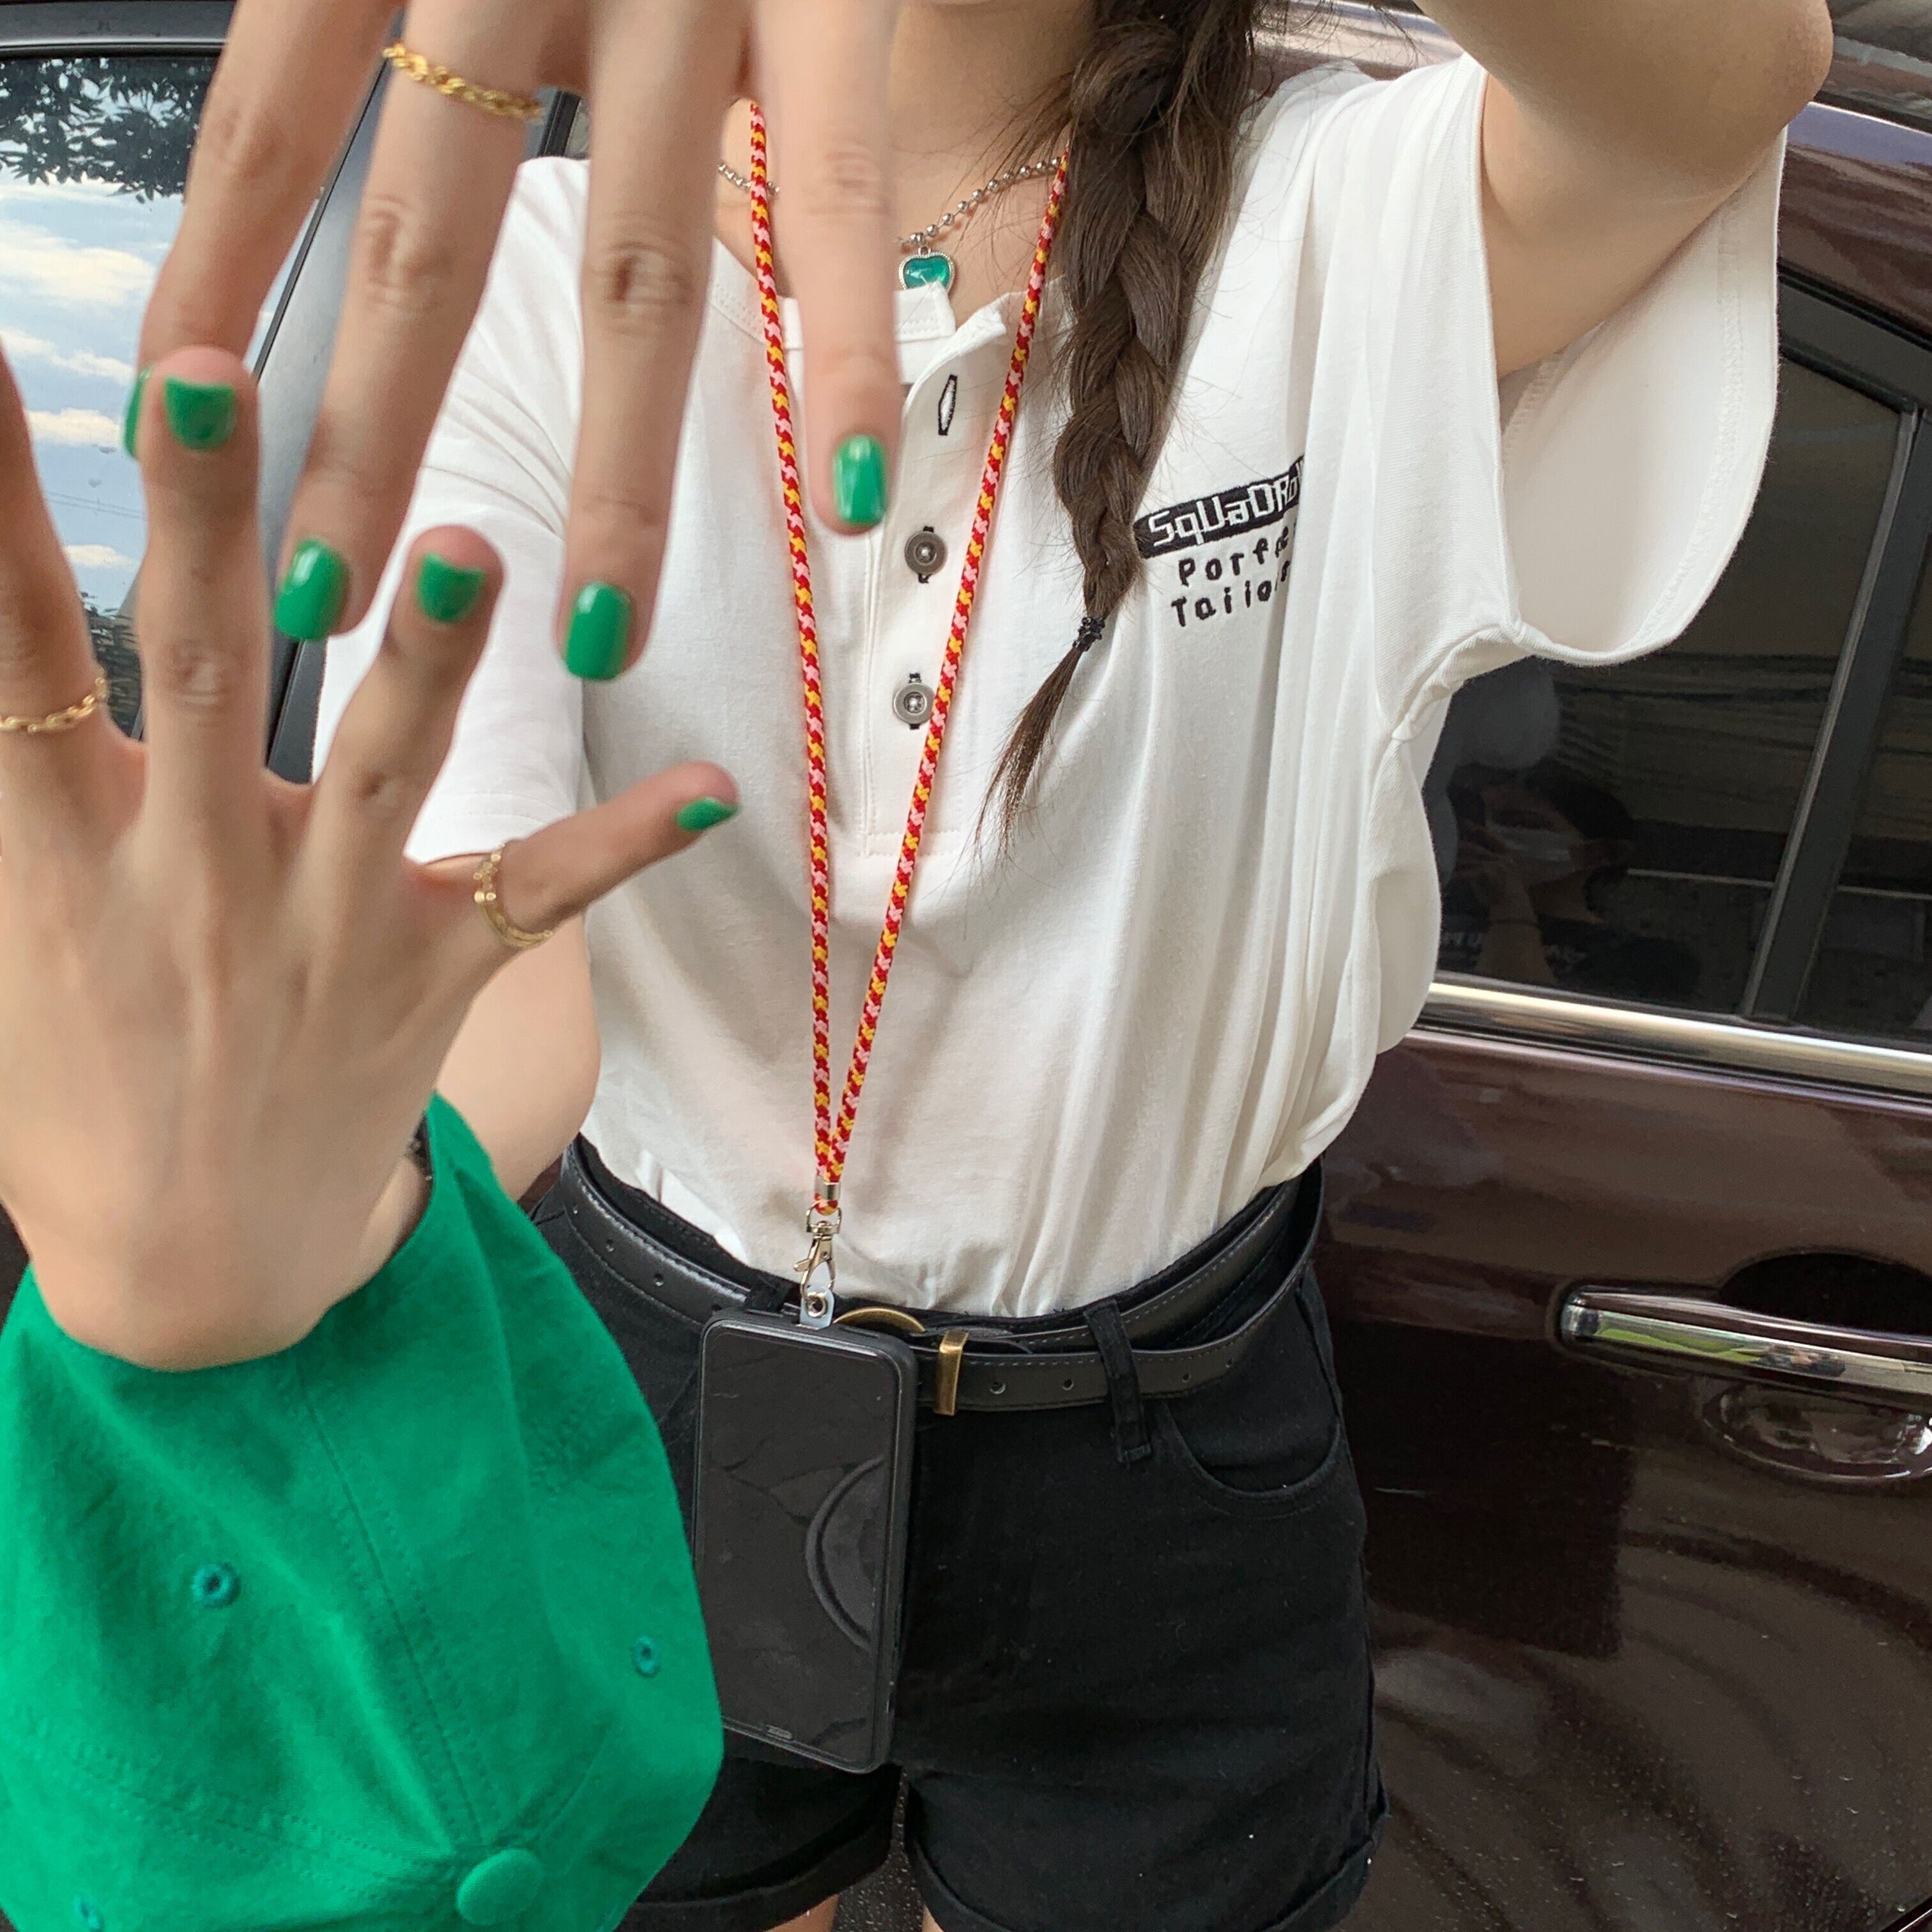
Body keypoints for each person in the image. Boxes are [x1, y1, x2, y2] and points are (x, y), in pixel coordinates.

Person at [0, 1, 1825, 1929]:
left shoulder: (1344, 214)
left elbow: (1725, 83)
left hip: (1169, 1452)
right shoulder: (546, 283)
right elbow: (504, 941)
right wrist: (326, 1218)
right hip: (660, 1387)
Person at [1440, 767, 1703, 1004]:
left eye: (1521, 822)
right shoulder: (1437, 918)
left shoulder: (1646, 961)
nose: (1491, 833)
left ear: (1601, 853)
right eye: (1484, 819)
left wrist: (1510, 908)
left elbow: (1520, 1020)